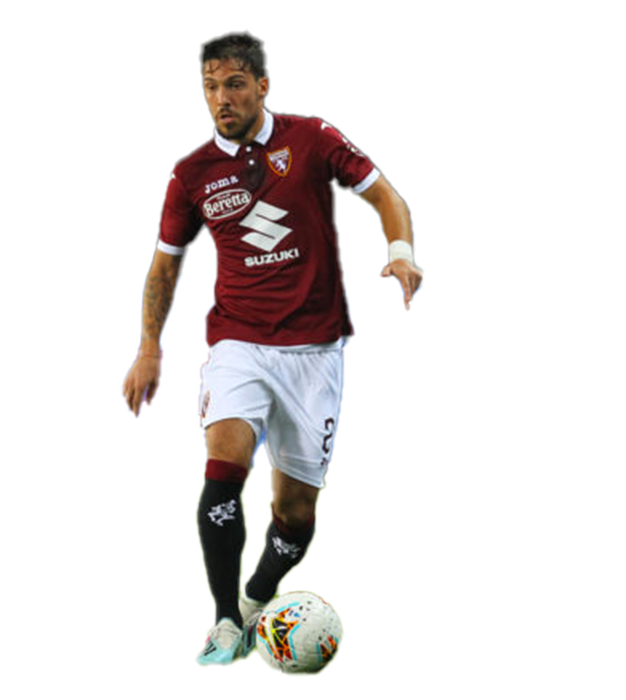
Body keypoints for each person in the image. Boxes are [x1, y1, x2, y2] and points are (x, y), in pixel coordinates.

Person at [121, 30, 422, 666]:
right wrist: (148, 350)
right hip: (239, 341)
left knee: (296, 512)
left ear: (261, 86)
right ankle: (224, 620)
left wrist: (400, 254)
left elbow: (385, 197)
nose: (221, 98)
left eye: (234, 84)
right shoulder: (191, 176)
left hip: (316, 351)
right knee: (223, 464)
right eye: (210, 87)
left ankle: (256, 598)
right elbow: (164, 268)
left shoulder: (312, 138)